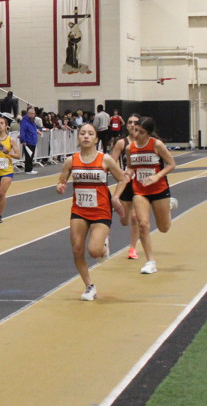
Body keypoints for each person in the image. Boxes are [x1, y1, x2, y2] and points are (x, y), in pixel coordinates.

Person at [55, 124, 128, 300]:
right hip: (79, 210)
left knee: (94, 251)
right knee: (77, 249)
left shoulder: (105, 159)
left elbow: (123, 179)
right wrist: (60, 186)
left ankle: (103, 244)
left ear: (96, 139)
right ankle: (89, 286)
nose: (86, 136)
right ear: (78, 138)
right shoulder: (71, 161)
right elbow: (61, 180)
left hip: (101, 211)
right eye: (82, 133)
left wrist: (115, 197)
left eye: (90, 134)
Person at [126, 116, 178, 274]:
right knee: (142, 224)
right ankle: (150, 262)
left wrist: (157, 176)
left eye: (141, 132)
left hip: (159, 189)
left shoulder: (156, 144)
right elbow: (130, 167)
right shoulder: (130, 148)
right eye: (135, 130)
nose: (136, 134)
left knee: (164, 228)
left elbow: (171, 164)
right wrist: (126, 174)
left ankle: (168, 206)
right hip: (140, 190)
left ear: (148, 133)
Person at [110, 113, 142, 260]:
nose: (132, 125)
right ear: (127, 125)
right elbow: (111, 163)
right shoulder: (121, 143)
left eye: (135, 122)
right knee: (124, 221)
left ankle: (132, 248)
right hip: (126, 183)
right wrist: (120, 173)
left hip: (141, 184)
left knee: (135, 217)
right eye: (130, 122)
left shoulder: (145, 142)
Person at [0, 114, 20, 223]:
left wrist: (9, 153)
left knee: (2, 193)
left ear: (6, 126)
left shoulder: (11, 140)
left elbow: (18, 155)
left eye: (2, 123)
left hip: (7, 171)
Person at [19, 106, 39, 174]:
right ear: (29, 113)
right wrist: (23, 140)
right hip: (28, 141)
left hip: (33, 140)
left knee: (31, 155)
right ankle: (28, 169)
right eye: (32, 113)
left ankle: (30, 169)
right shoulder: (25, 121)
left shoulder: (32, 121)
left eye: (34, 113)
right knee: (28, 156)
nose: (33, 115)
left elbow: (34, 128)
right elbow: (23, 131)